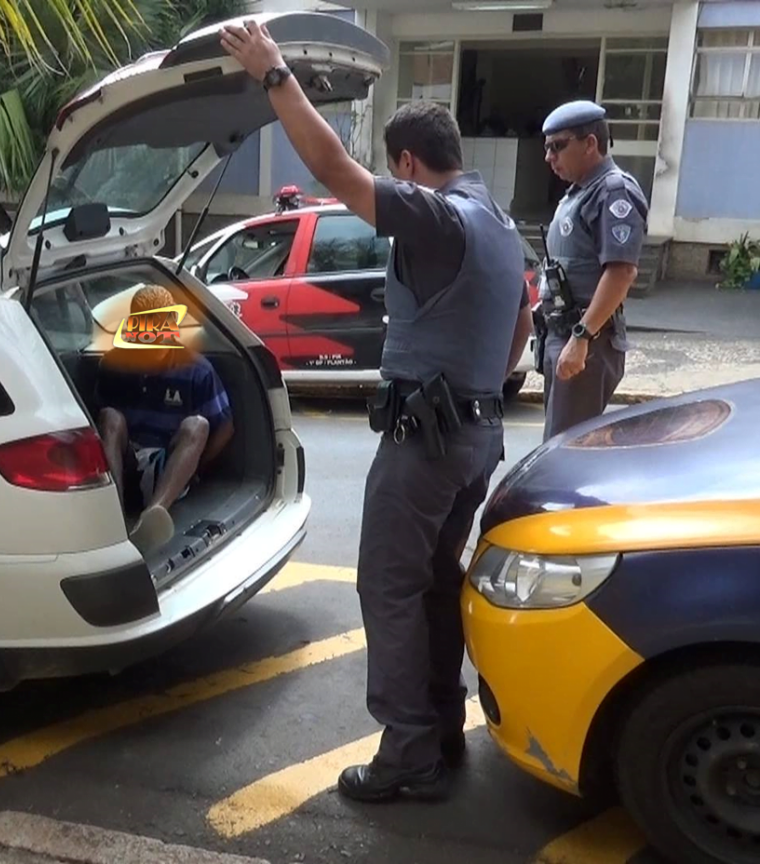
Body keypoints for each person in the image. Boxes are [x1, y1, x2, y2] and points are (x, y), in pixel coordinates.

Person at [221, 20, 530, 803]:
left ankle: (408, 757)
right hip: (477, 437)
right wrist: (475, 389)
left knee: (388, 588)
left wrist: (274, 73)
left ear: (407, 164)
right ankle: (441, 725)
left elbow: (332, 167)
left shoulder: (436, 215)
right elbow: (522, 323)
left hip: (426, 445)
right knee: (433, 583)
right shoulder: (497, 222)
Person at [534, 100, 649, 440]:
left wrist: (581, 337)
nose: (549, 157)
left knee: (565, 451)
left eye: (558, 146)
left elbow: (621, 272)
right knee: (559, 446)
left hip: (586, 340)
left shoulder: (613, 191)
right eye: (547, 148)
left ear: (590, 144)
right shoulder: (579, 193)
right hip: (564, 334)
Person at [93, 284, 234, 553]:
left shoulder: (197, 370)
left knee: (198, 425)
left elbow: (225, 427)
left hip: (168, 464)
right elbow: (100, 425)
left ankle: (154, 515)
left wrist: (195, 469)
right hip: (126, 460)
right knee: (109, 417)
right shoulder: (114, 364)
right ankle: (115, 514)